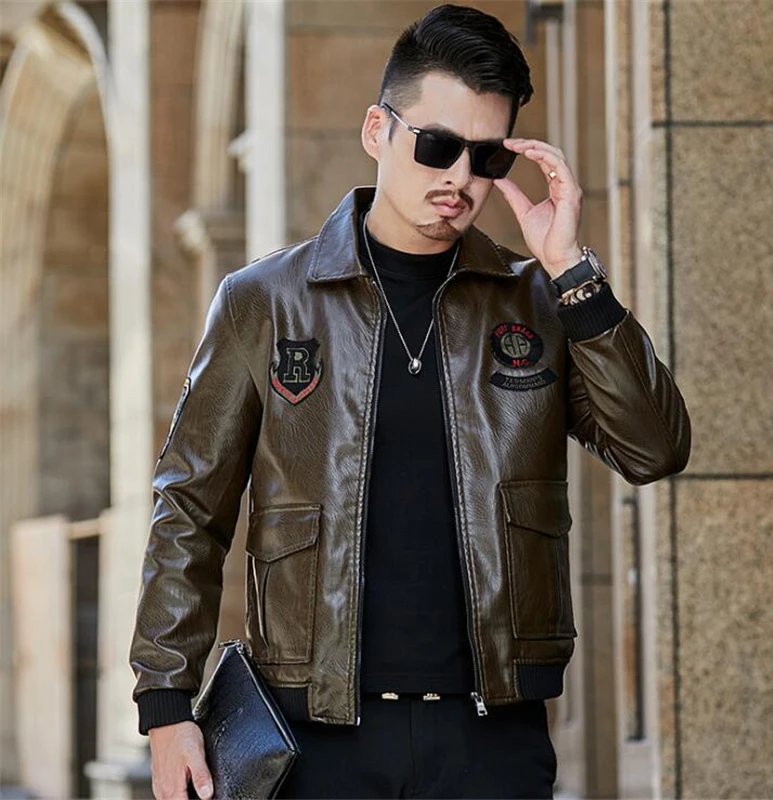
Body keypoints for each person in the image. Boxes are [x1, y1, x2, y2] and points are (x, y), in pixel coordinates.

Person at [129, 4, 691, 799]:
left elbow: (654, 448)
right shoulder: (266, 301)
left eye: (486, 156)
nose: (459, 177)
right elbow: (189, 504)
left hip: (490, 740)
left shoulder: (538, 301)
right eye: (437, 146)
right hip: (313, 735)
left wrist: (573, 273)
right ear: (377, 131)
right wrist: (165, 702)